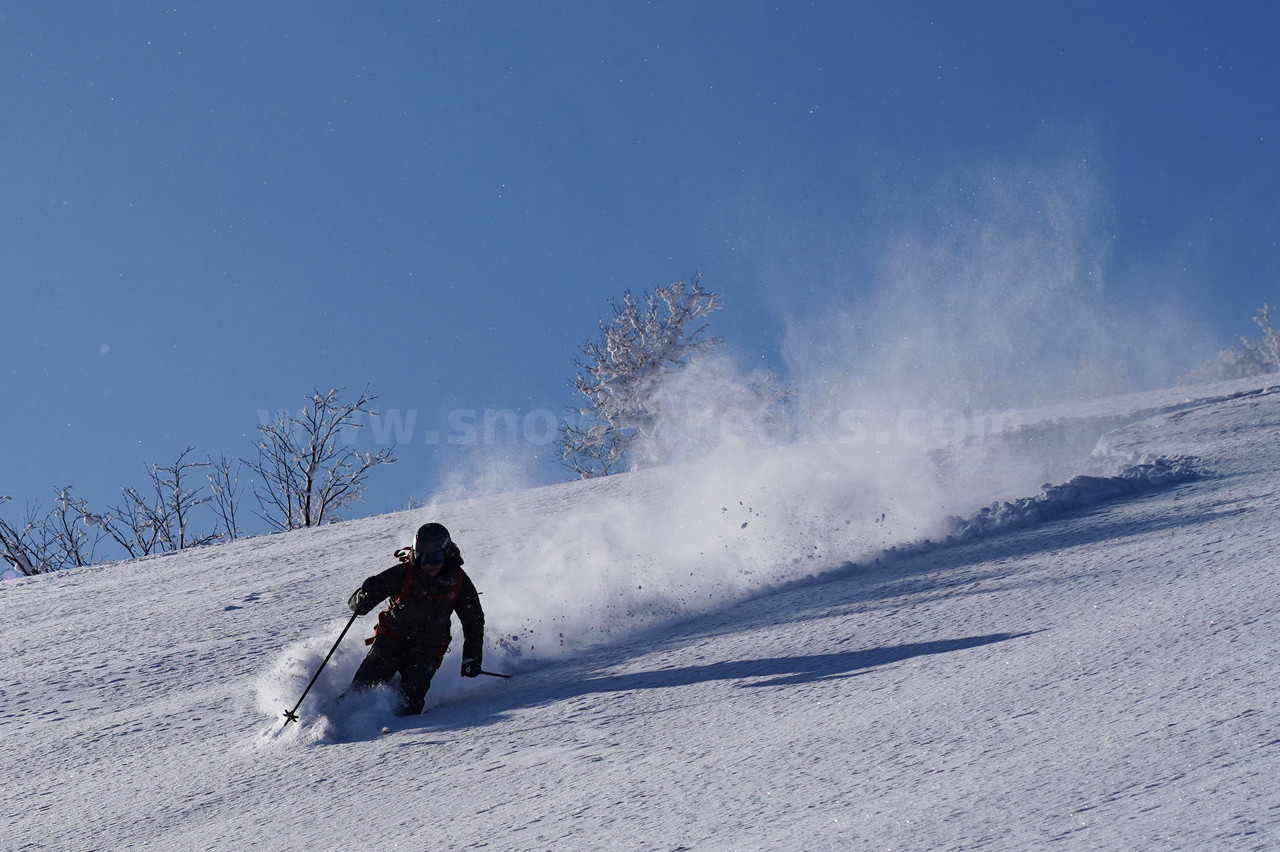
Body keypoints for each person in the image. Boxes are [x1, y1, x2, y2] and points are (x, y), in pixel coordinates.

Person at [347, 522, 485, 715]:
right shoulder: (404, 573)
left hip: (428, 649)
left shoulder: (458, 581)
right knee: (366, 683)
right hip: (392, 639)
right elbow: (356, 607)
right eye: (423, 557)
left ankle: (398, 733)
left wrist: (472, 657)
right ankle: (341, 719)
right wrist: (364, 595)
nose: (429, 564)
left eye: (435, 557)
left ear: (445, 553)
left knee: (410, 701)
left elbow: (474, 620)